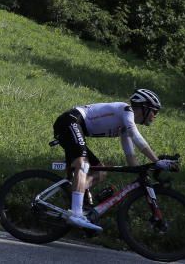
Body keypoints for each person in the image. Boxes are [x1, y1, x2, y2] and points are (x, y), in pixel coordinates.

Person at [53, 88, 175, 231]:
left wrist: (144, 173)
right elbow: (137, 137)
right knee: (83, 164)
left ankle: (74, 195)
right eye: (155, 111)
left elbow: (130, 157)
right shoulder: (127, 111)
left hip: (75, 127)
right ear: (144, 108)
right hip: (70, 121)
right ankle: (76, 214)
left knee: (100, 172)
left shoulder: (124, 127)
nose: (155, 116)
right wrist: (156, 161)